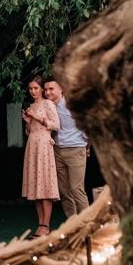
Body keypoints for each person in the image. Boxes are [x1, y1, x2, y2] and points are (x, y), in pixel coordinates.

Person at [43, 78, 90, 218]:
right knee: (64, 192)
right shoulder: (48, 106)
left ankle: (87, 226)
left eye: (51, 89)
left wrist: (86, 146)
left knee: (77, 190)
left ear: (61, 89)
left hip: (75, 150)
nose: (47, 92)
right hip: (57, 151)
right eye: (45, 89)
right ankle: (73, 224)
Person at [22, 75, 60, 238]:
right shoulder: (31, 105)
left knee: (45, 184)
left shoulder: (48, 103)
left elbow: (56, 125)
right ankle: (40, 224)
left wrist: (37, 117)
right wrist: (28, 121)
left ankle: (46, 225)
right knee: (35, 185)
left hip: (44, 144)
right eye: (30, 88)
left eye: (35, 88)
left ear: (41, 89)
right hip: (32, 145)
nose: (32, 91)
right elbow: (29, 131)